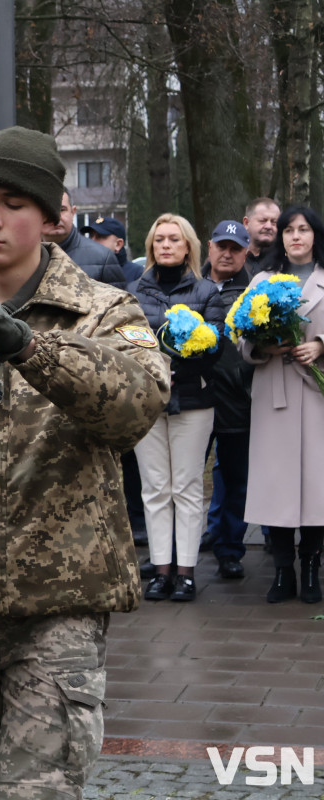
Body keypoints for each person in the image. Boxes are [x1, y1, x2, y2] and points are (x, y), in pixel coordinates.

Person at [0, 126, 168, 799]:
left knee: (37, 789)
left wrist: (27, 346)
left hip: (59, 609)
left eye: (13, 203)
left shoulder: (102, 309)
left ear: (49, 217)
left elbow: (136, 406)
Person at [129, 213, 219, 602]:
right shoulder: (133, 292)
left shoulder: (207, 291)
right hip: (147, 401)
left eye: (174, 239)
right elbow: (124, 341)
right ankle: (161, 570)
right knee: (154, 488)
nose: (166, 245)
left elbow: (214, 347)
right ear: (151, 246)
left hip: (194, 401)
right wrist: (152, 366)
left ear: (188, 246)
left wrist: (177, 366)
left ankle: (186, 573)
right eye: (159, 239)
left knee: (186, 486)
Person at [240, 205, 324, 603]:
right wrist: (265, 347)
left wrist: (320, 345)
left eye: (303, 229)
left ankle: (310, 569)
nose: (296, 236)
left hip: (316, 396)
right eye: (289, 230)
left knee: (316, 486)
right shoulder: (262, 280)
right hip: (275, 394)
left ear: (315, 235)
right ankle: (281, 571)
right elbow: (241, 335)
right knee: (276, 486)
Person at [202, 221, 253, 580]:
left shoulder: (255, 293)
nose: (227, 253)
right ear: (209, 247)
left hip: (238, 401)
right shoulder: (192, 286)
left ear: (246, 253)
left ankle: (231, 549)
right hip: (196, 399)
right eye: (222, 246)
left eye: (235, 248)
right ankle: (174, 556)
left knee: (236, 482)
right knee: (186, 482)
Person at [42, 192, 127, 288]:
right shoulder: (28, 255)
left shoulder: (103, 258)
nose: (55, 216)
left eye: (62, 210)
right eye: (47, 210)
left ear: (73, 212)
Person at [82, 215, 141, 283]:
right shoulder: (83, 273)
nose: (92, 241)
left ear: (118, 244)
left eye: (100, 236)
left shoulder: (137, 275)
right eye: (91, 236)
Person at [243, 197, 280, 275]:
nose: (268, 226)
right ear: (246, 223)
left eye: (274, 222)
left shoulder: (284, 262)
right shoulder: (232, 258)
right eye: (262, 221)